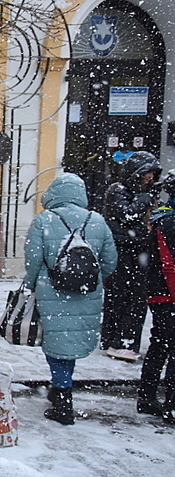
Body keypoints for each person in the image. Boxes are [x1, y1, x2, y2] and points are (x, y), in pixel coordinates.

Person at [24, 173, 117, 425]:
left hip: (51, 291)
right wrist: (89, 278)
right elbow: (110, 261)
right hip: (87, 292)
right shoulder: (97, 220)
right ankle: (60, 387)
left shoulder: (43, 219)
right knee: (71, 341)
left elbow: (33, 259)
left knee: (56, 340)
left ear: (53, 193)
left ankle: (63, 398)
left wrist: (31, 285)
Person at [101, 150, 160, 361]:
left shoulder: (144, 194)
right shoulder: (118, 191)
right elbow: (128, 215)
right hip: (123, 255)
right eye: (147, 173)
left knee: (135, 298)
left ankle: (123, 340)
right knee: (121, 297)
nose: (150, 177)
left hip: (138, 254)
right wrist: (145, 199)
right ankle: (118, 340)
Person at [139, 169, 175, 422]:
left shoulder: (162, 217)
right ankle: (171, 403)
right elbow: (168, 264)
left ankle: (147, 396)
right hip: (169, 293)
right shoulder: (169, 221)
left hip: (159, 292)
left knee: (160, 344)